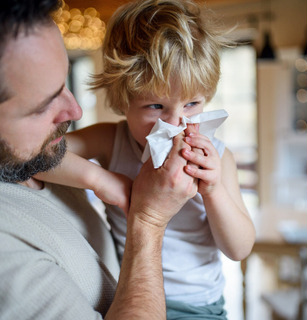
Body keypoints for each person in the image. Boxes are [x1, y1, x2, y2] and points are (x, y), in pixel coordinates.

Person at [36, 0, 256, 318]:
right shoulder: (112, 140)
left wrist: (215, 189)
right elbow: (40, 155)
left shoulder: (220, 158)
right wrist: (103, 180)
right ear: (122, 101)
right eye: (155, 107)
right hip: (127, 293)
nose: (176, 122)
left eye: (193, 103)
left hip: (198, 306)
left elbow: (239, 249)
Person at [0, 0, 198, 319]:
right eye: (41, 106)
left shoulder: (34, 155)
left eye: (64, 84)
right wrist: (148, 222)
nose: (75, 111)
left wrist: (101, 179)